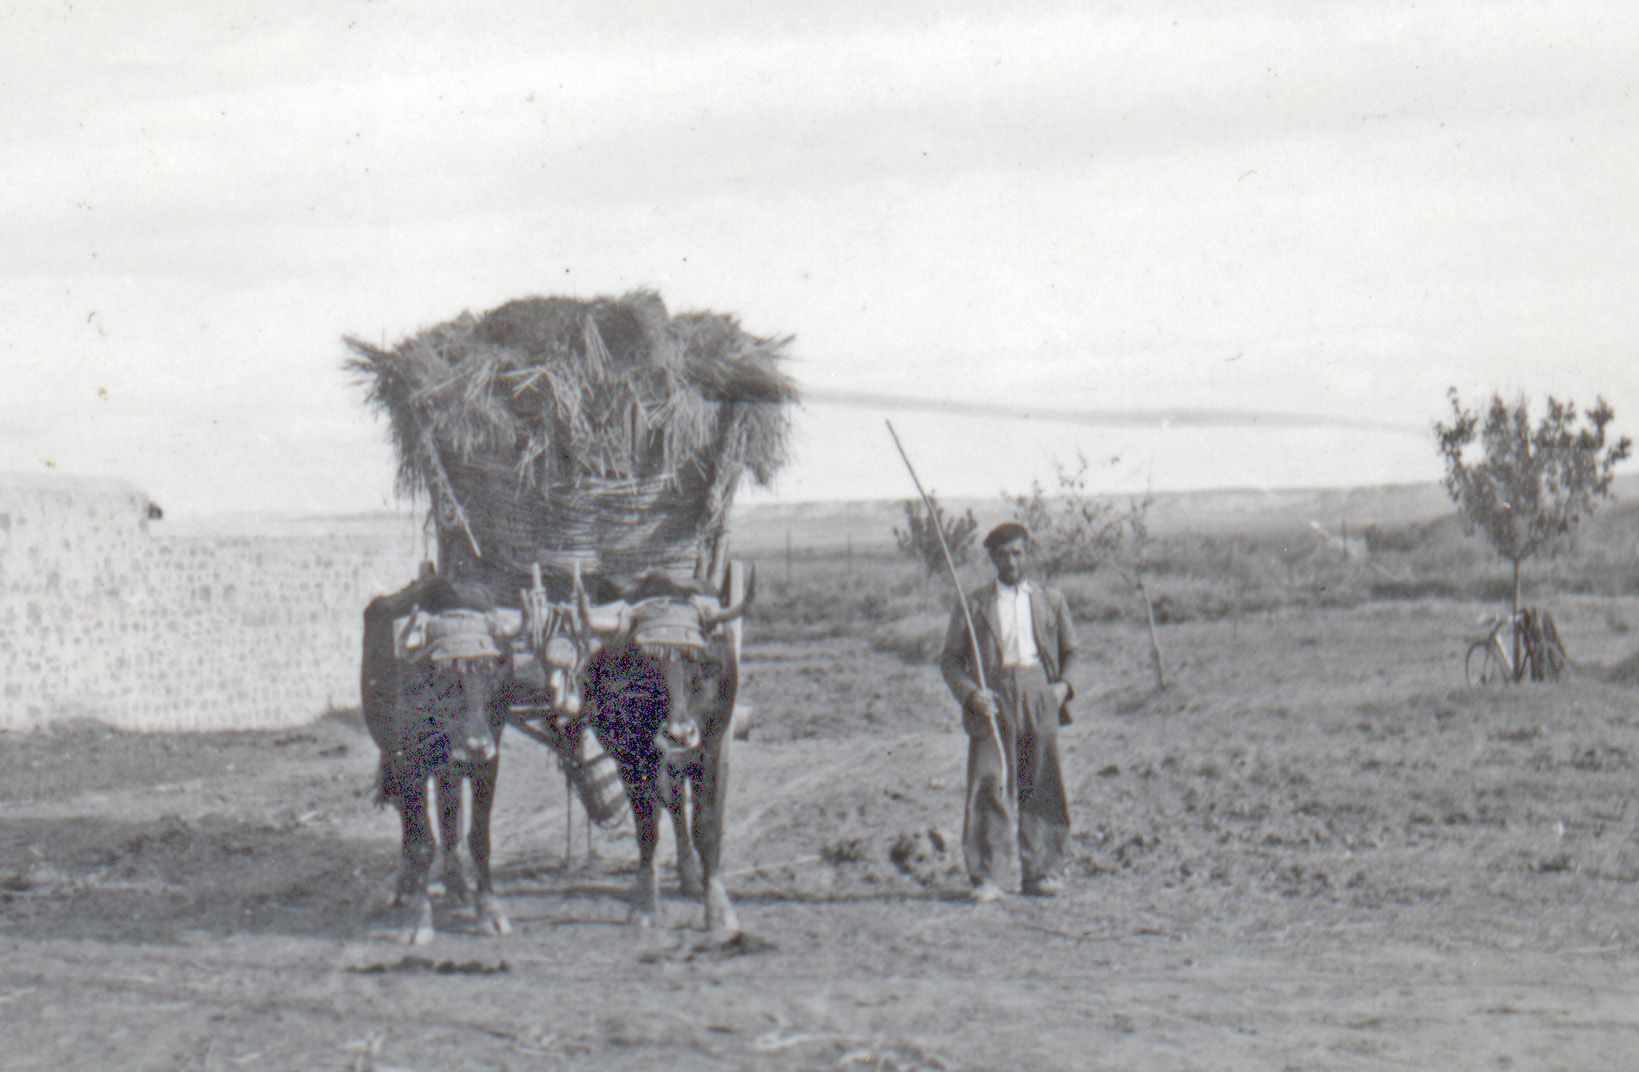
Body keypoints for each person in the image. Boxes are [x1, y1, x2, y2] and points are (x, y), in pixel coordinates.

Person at [939, 522, 1078, 902]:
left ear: (1027, 554)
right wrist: (971, 695)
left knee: (1041, 782)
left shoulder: (1051, 600)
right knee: (989, 782)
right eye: (1003, 555)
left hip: (1038, 694)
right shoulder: (975, 605)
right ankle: (989, 876)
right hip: (993, 699)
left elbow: (1072, 652)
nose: (1011, 561)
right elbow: (950, 660)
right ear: (992, 558)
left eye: (1017, 553)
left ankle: (1042, 871)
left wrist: (1062, 687)